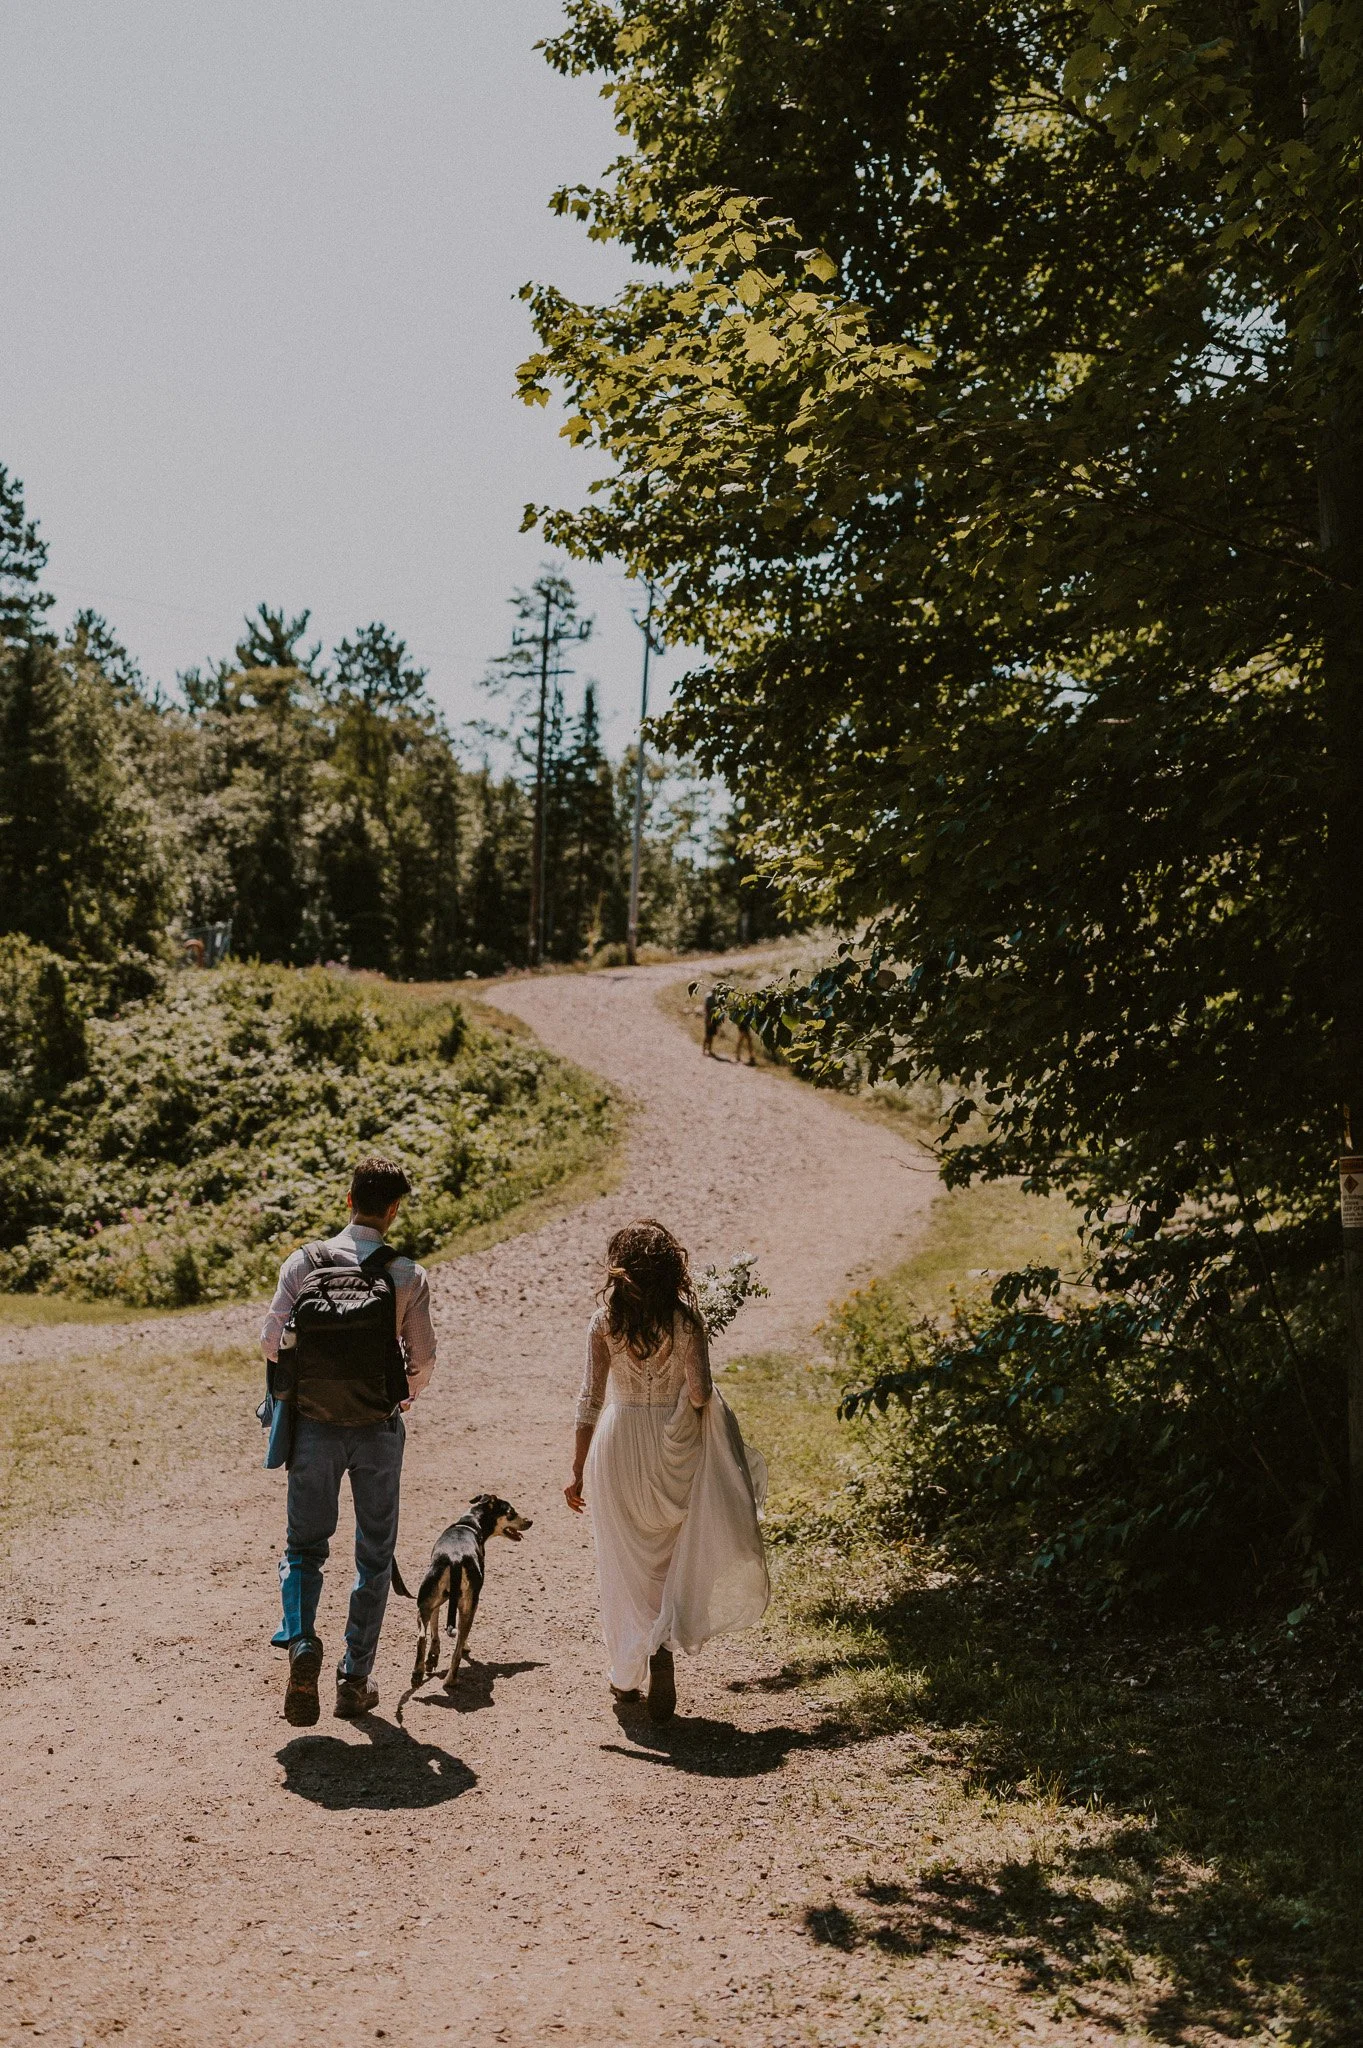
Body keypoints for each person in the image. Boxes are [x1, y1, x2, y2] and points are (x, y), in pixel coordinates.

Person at [565, 1220, 768, 1720]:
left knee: (623, 1564)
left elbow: (591, 1399)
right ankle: (662, 1648)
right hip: (673, 1447)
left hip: (618, 1444)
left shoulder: (603, 1322)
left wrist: (575, 1467)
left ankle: (625, 1675)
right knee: (671, 1558)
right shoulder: (686, 1321)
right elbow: (699, 1394)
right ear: (670, 1268)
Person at [260, 1156, 436, 1726]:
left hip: (312, 1427)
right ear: (392, 1210)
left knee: (304, 1547)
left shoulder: (303, 1262)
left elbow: (269, 1341)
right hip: (378, 1430)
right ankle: (354, 1679)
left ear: (347, 1199)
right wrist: (400, 1394)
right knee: (374, 1554)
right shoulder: (406, 1274)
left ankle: (304, 1641)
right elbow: (423, 1359)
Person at [702, 988, 757, 1066]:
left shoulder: (746, 1007)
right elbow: (708, 1009)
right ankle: (705, 1050)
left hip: (742, 1025)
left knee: (743, 1040)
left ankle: (740, 1056)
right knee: (708, 1035)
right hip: (742, 1026)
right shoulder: (710, 997)